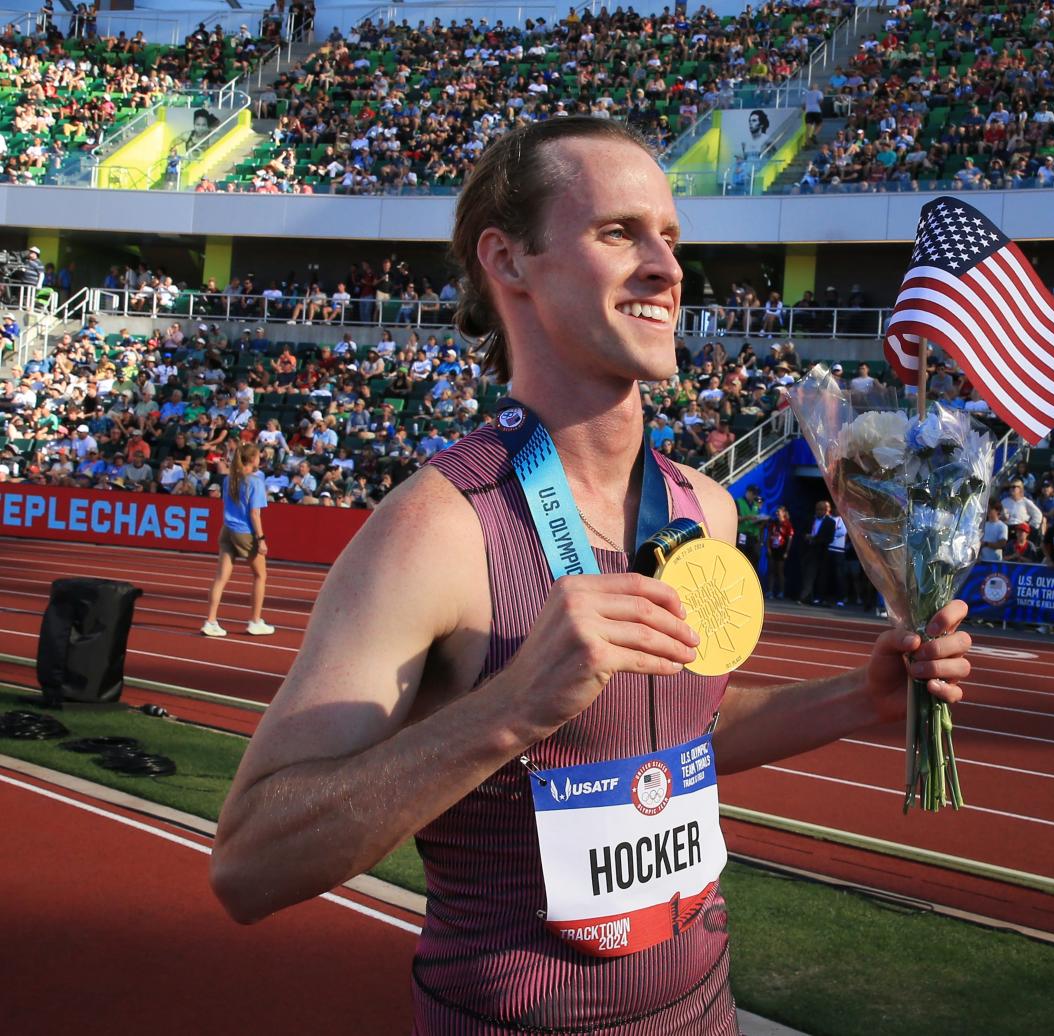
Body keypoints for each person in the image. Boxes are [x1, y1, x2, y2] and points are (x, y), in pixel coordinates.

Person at [209, 118, 972, 1032]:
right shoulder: (434, 531)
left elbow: (670, 739)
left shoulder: (705, 510)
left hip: (702, 1014)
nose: (666, 266)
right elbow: (249, 863)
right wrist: (513, 707)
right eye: (619, 233)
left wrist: (863, 698)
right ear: (510, 260)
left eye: (672, 239)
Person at [202, 442, 275, 637]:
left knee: (220, 577)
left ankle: (210, 621)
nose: (261, 458)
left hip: (227, 529)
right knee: (260, 575)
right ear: (252, 460)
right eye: (258, 456)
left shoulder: (229, 479)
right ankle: (255, 620)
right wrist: (261, 538)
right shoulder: (255, 482)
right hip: (244, 533)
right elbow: (254, 514)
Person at [735, 483, 768, 571]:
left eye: (756, 494)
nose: (755, 496)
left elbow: (757, 516)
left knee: (754, 558)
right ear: (748, 492)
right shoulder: (738, 502)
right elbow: (736, 518)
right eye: (753, 494)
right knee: (742, 557)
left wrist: (762, 520)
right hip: (742, 535)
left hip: (753, 536)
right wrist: (748, 517)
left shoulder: (756, 504)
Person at [765, 504, 794, 599]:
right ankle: (770, 591)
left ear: (784, 513)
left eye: (779, 511)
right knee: (771, 570)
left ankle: (781, 592)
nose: (777, 513)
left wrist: (786, 552)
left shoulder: (788, 524)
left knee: (780, 571)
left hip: (781, 550)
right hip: (773, 549)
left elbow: (790, 539)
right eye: (776, 511)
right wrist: (768, 548)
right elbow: (769, 536)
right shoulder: (773, 523)